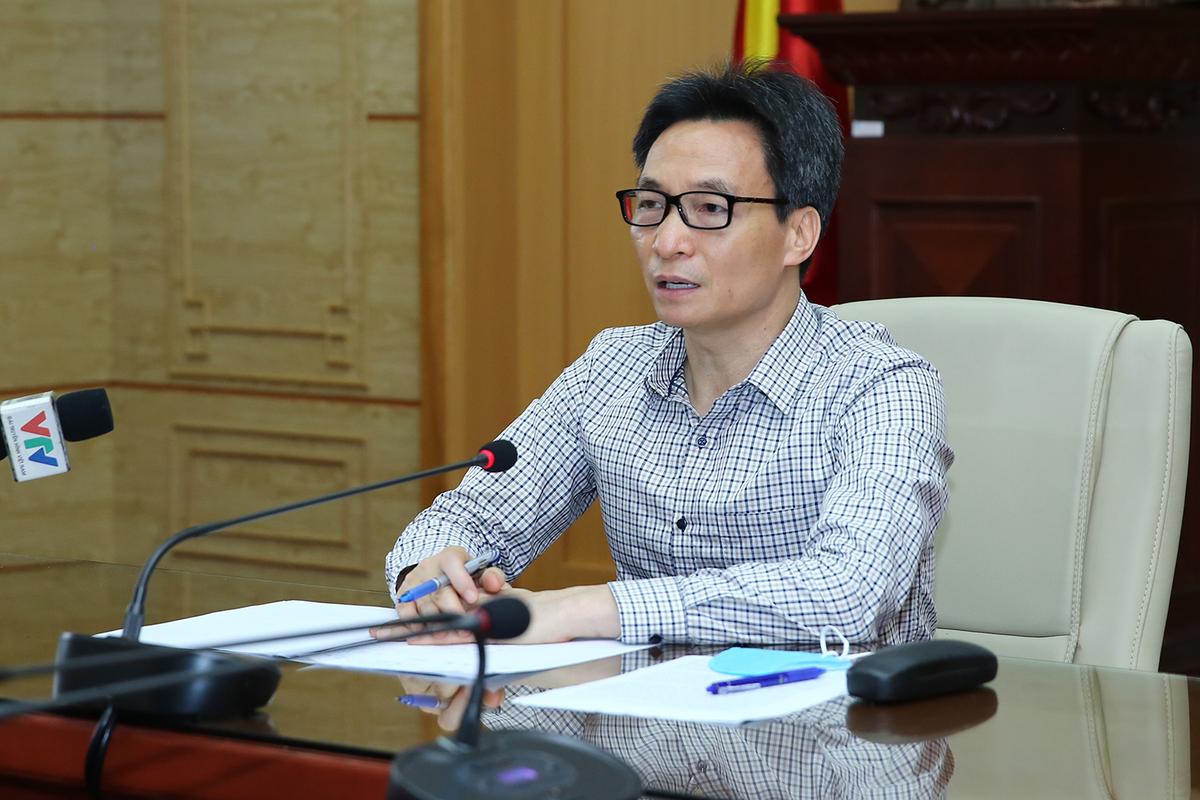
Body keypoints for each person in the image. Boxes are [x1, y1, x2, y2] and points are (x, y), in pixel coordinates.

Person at [380, 60, 952, 648]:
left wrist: (593, 608)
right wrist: (431, 571)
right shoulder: (612, 368)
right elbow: (473, 515)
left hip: (829, 708)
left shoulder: (881, 386)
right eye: (652, 204)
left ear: (798, 234)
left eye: (710, 209)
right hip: (637, 703)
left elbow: (849, 592)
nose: (667, 241)